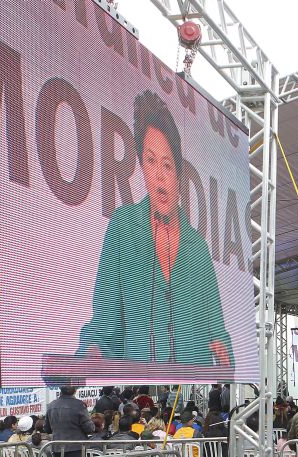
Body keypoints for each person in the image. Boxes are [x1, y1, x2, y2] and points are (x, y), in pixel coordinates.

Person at [76, 90, 234, 368]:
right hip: (138, 388)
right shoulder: (123, 227)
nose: (159, 176)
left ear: (179, 174)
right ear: (140, 165)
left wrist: (224, 357)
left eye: (167, 165)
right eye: (150, 161)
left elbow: (219, 335)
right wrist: (91, 353)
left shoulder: (198, 248)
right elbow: (105, 326)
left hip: (190, 390)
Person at [44, 387, 95, 457]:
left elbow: (47, 428)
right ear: (75, 390)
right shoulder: (79, 405)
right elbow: (89, 428)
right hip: (76, 448)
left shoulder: (51, 405)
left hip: (57, 447)